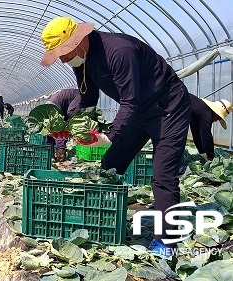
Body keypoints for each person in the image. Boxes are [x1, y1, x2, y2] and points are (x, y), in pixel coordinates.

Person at [41, 16, 192, 257]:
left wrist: (109, 137)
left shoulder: (119, 51)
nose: (62, 58)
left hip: (167, 108)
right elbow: (88, 99)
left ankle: (166, 241)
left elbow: (130, 100)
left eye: (64, 52)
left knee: (163, 175)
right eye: (58, 54)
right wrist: (68, 127)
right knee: (110, 164)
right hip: (137, 113)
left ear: (78, 40)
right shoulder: (83, 61)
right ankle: (101, 220)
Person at [189, 95, 232, 161]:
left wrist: (202, 153)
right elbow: (206, 135)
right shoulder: (206, 114)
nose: (216, 120)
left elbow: (196, 134)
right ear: (216, 113)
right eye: (218, 118)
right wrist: (211, 157)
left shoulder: (199, 110)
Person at [46, 88, 81, 161]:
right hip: (54, 106)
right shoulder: (83, 97)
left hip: (52, 104)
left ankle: (50, 152)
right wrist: (61, 147)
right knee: (61, 127)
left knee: (55, 128)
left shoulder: (80, 96)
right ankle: (51, 152)